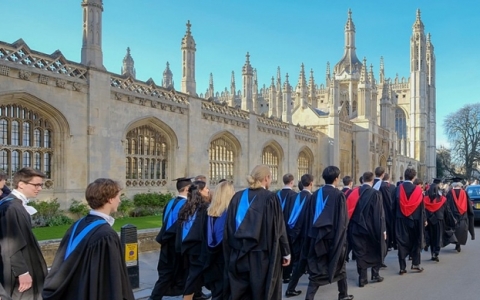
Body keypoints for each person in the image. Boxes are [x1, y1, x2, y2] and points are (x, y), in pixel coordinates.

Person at [42, 178, 134, 300]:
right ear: (110, 199)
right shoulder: (106, 235)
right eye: (118, 196)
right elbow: (112, 279)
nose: (120, 200)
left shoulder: (78, 225)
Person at [223, 165, 290, 300]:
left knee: (240, 294)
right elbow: (279, 229)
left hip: (238, 254)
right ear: (266, 178)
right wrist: (286, 252)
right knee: (260, 293)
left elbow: (228, 228)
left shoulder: (237, 197)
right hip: (261, 257)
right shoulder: (270, 198)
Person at [303, 166, 354, 300]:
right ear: (336, 179)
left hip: (317, 238)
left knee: (317, 270)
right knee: (339, 265)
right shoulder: (339, 195)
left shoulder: (315, 194)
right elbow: (343, 220)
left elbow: (309, 218)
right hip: (334, 239)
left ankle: (310, 297)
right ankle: (342, 295)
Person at [0, 167, 48, 300]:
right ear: (21, 184)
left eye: (41, 185)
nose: (40, 188)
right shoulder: (10, 207)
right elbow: (10, 244)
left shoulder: (16, 205)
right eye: (36, 184)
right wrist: (22, 272)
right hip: (19, 275)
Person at [149, 177, 192, 300]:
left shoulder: (170, 202)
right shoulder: (186, 205)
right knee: (168, 274)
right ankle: (154, 297)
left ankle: (195, 294)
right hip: (176, 244)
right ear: (187, 189)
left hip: (166, 242)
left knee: (173, 273)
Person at [349, 171, 386, 287]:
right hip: (372, 228)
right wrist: (382, 230)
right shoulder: (376, 194)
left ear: (362, 180)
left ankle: (362, 278)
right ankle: (375, 274)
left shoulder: (355, 192)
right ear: (372, 180)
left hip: (356, 228)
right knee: (375, 249)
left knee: (360, 253)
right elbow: (379, 214)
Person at [177, 181, 211, 300]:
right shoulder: (204, 208)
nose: (208, 190)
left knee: (193, 275)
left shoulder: (187, 206)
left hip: (187, 246)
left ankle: (194, 295)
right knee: (194, 276)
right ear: (200, 191)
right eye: (206, 188)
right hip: (198, 247)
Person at [203, 181, 235, 300]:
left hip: (212, 261)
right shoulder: (230, 215)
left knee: (217, 293)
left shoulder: (208, 214)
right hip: (225, 260)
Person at [285, 174, 314, 298]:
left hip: (294, 234)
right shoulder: (311, 198)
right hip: (305, 236)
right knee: (300, 263)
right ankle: (291, 289)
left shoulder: (294, 196)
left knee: (299, 261)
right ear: (311, 183)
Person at [393, 168, 425, 275]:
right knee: (416, 241)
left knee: (401, 242)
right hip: (415, 220)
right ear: (414, 177)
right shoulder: (418, 190)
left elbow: (393, 206)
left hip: (401, 219)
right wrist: (424, 220)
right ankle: (415, 264)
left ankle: (402, 267)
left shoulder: (398, 188)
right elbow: (422, 208)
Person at [423, 183, 454, 262]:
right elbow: (447, 211)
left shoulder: (425, 199)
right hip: (439, 220)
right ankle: (436, 253)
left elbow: (423, 210)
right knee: (438, 237)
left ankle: (432, 252)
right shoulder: (442, 199)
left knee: (431, 237)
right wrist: (450, 220)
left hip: (429, 220)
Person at [276, 173, 297, 283]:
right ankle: (287, 275)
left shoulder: (277, 194)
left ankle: (280, 272)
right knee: (289, 250)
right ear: (292, 182)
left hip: (278, 226)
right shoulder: (294, 195)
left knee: (279, 249)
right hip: (289, 227)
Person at [445, 177, 475, 252]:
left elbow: (447, 205)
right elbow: (468, 204)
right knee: (461, 230)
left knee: (454, 230)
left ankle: (455, 242)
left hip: (453, 215)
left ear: (453, 184)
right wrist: (470, 213)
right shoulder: (464, 192)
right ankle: (458, 245)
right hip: (463, 215)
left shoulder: (450, 193)